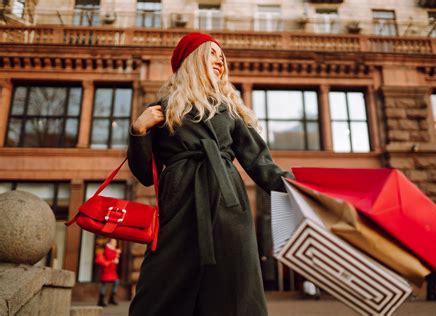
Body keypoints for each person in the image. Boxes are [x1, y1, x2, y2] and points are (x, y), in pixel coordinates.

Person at [127, 32, 293, 316]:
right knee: (161, 285)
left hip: (228, 205)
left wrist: (296, 187)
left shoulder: (229, 109)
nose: (219, 60)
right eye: (211, 53)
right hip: (179, 204)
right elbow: (143, 173)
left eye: (221, 55)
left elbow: (259, 162)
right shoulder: (163, 110)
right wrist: (139, 131)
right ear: (192, 61)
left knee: (233, 285)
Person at [95, 238, 121, 307]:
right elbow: (109, 256)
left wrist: (116, 252)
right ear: (110, 242)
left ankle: (111, 298)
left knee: (116, 281)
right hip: (106, 269)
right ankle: (101, 300)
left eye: (115, 241)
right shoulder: (107, 248)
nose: (115, 243)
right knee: (104, 284)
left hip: (112, 270)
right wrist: (116, 253)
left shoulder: (114, 249)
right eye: (113, 241)